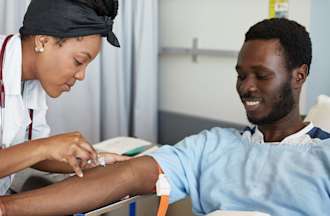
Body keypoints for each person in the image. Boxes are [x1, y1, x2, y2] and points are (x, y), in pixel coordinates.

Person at [1, 18, 330, 216]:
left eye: (261, 75)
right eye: (241, 74)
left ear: (298, 76)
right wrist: (7, 209)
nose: (246, 87)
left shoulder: (323, 157)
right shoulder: (212, 146)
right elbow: (127, 176)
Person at [0, 0, 128, 196]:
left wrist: (95, 160)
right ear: (43, 41)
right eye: (79, 61)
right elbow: (38, 149)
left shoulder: (31, 82)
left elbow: (30, 153)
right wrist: (47, 146)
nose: (81, 75)